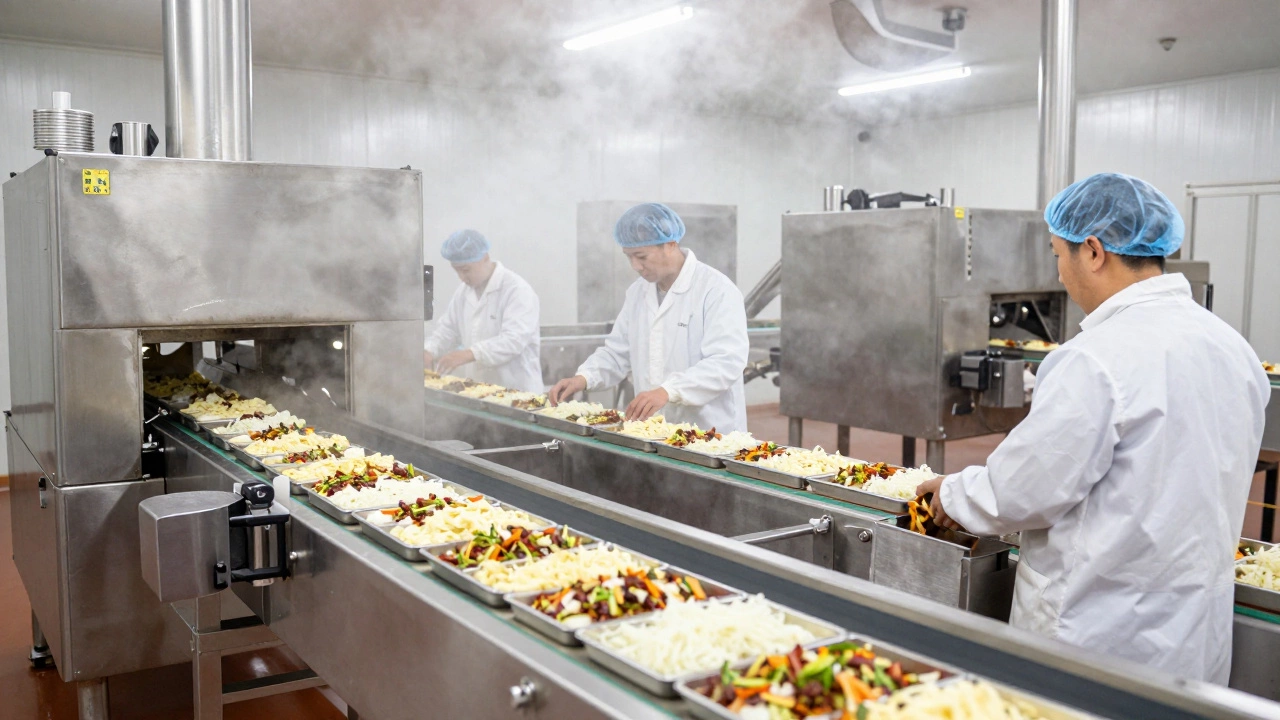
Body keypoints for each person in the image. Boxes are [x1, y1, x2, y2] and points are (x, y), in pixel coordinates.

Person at [916, 173, 1270, 684]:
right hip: (1193, 632)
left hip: (1099, 632)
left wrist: (951, 494)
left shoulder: (1095, 359)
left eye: (1059, 255)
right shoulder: (1233, 349)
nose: (1060, 274)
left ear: (1094, 251)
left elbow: (1024, 489)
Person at [548, 203, 750, 432]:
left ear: (670, 245)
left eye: (641, 256)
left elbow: (726, 362)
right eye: (629, 257)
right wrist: (583, 378)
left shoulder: (716, 290)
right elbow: (617, 353)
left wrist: (669, 391)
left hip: (711, 432)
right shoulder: (637, 293)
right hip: (654, 432)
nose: (635, 266)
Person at [424, 229, 543, 393]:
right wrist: (429, 350)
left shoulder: (516, 290)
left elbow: (513, 340)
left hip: (518, 393)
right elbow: (448, 330)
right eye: (456, 270)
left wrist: (469, 354)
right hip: (479, 392)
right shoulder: (463, 292)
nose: (461, 277)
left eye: (466, 270)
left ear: (485, 258)